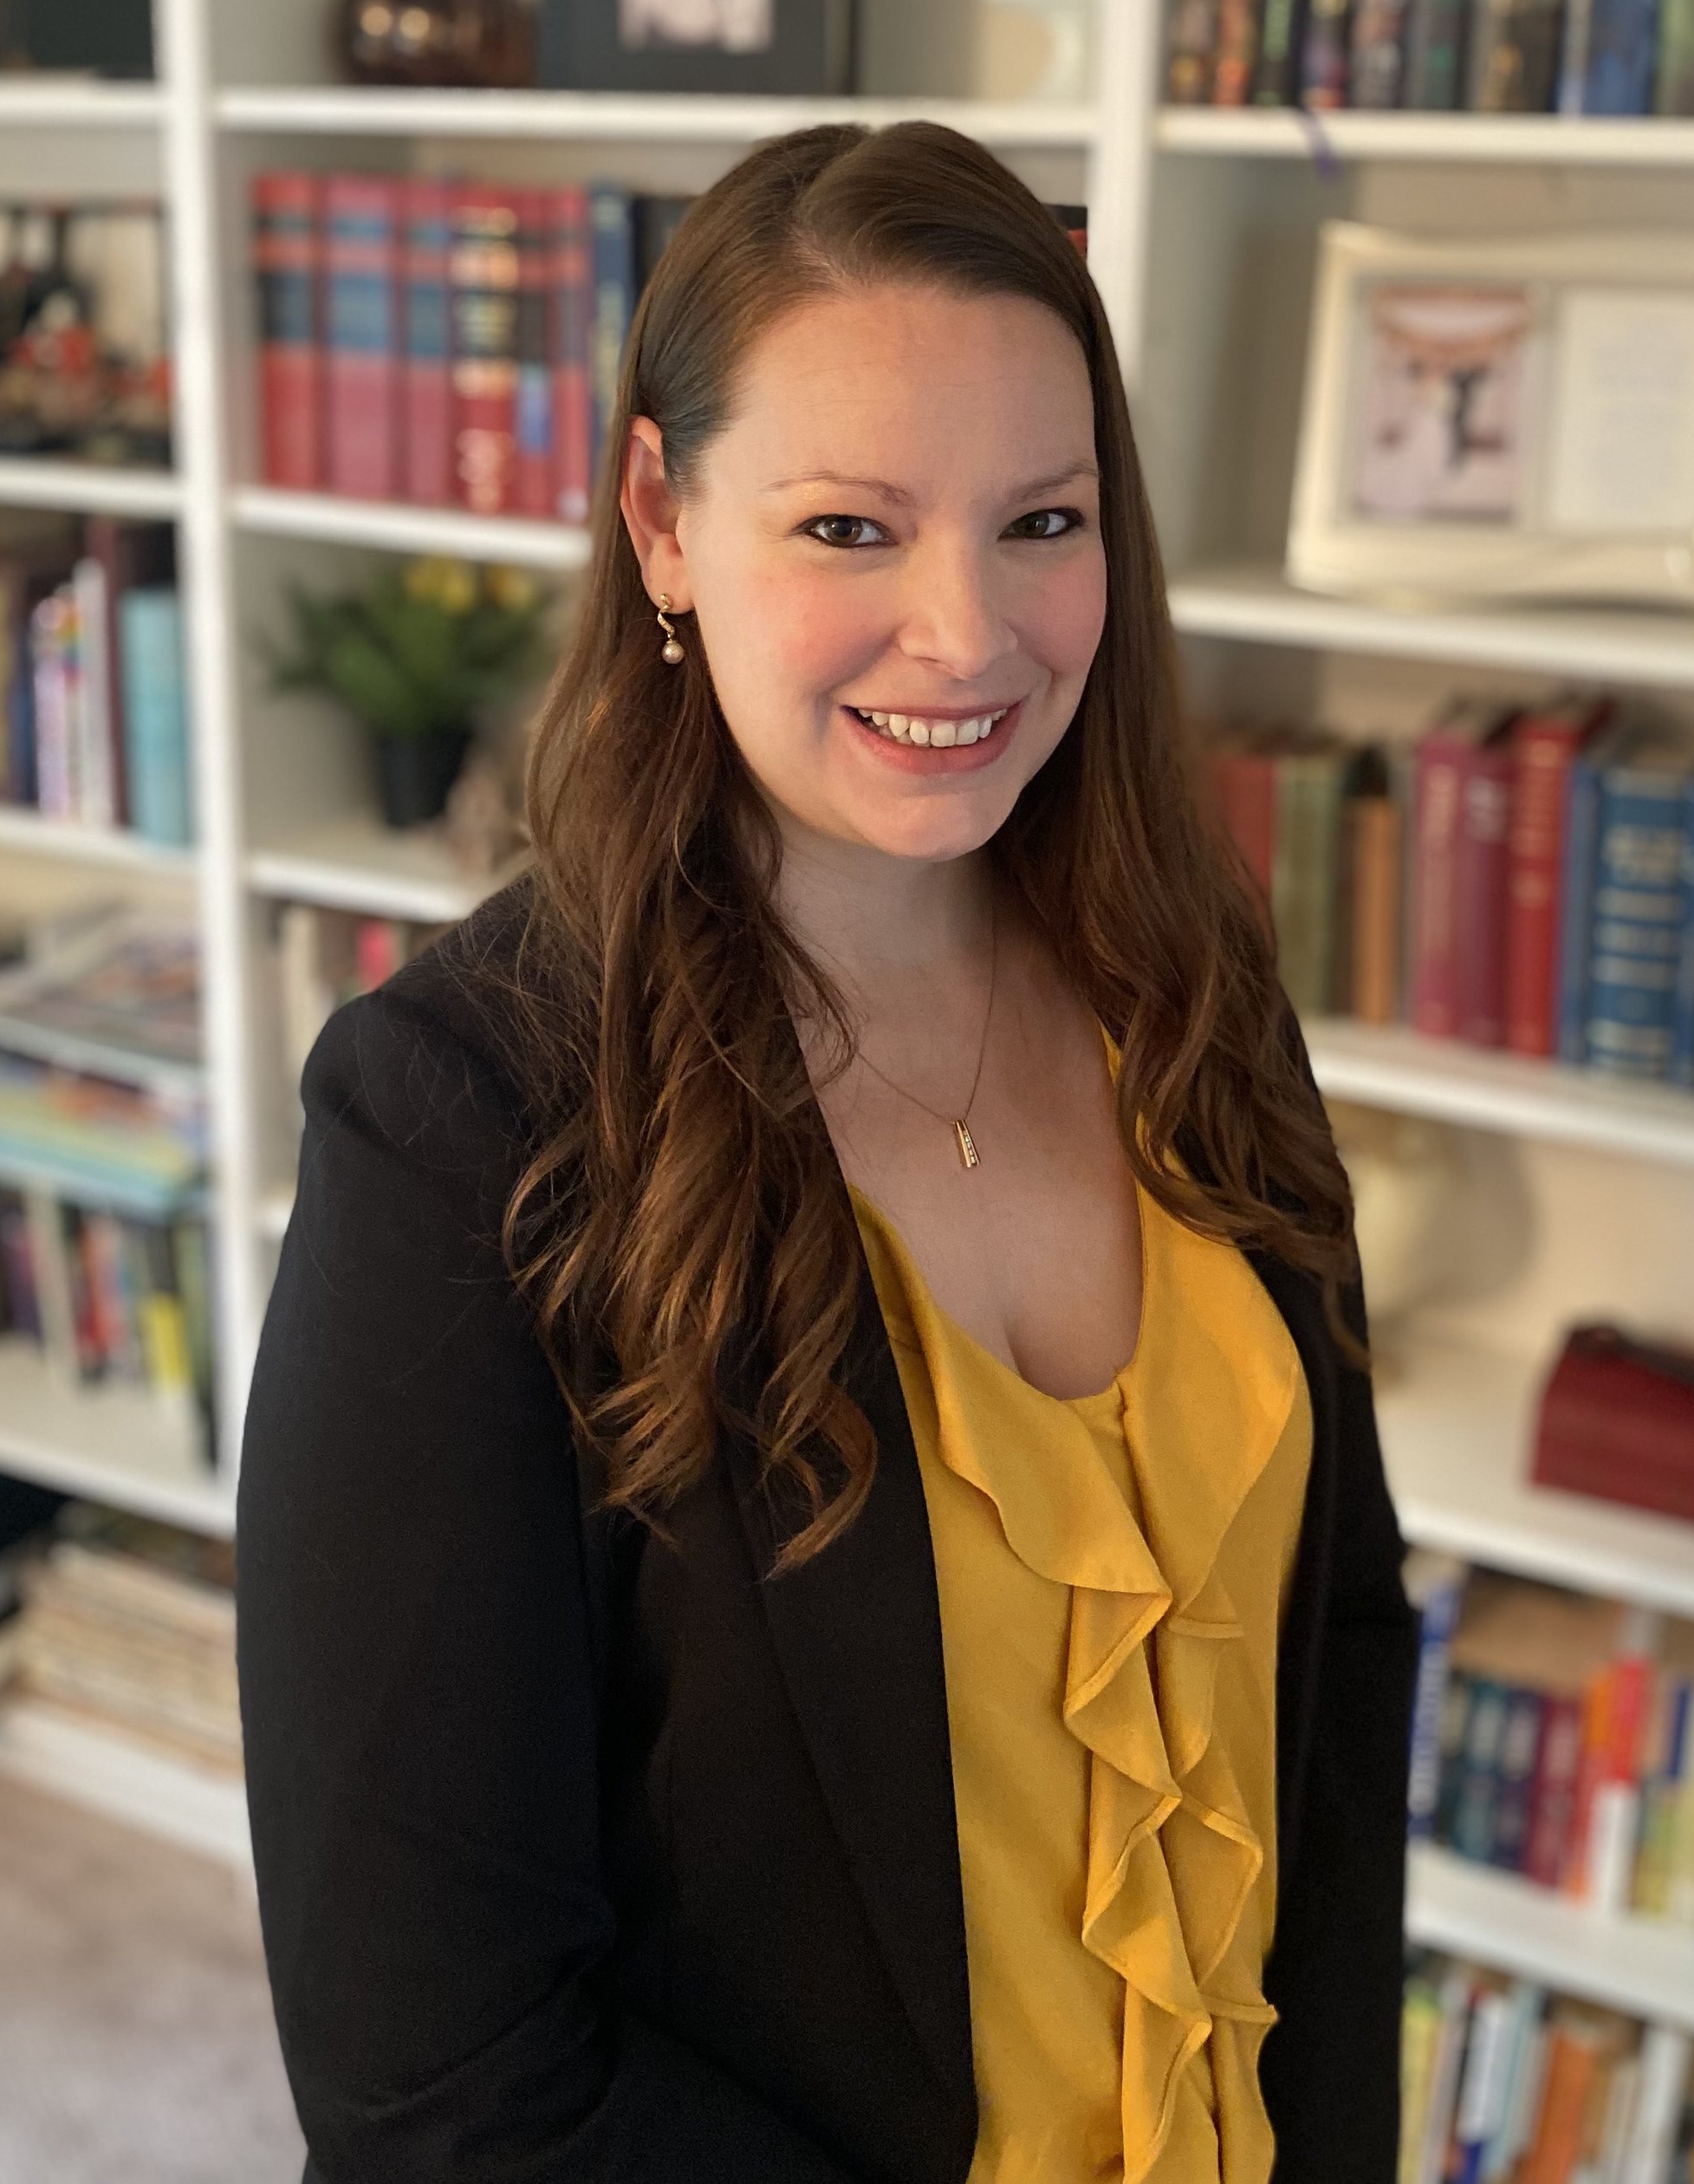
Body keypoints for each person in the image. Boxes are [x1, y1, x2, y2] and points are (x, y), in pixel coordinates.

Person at [237, 120, 1417, 2184]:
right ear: (659, 518)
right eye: (851, 528)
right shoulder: (452, 1124)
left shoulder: (1198, 988)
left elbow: (1335, 1677)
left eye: (1038, 519)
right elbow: (438, 2080)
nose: (965, 633)